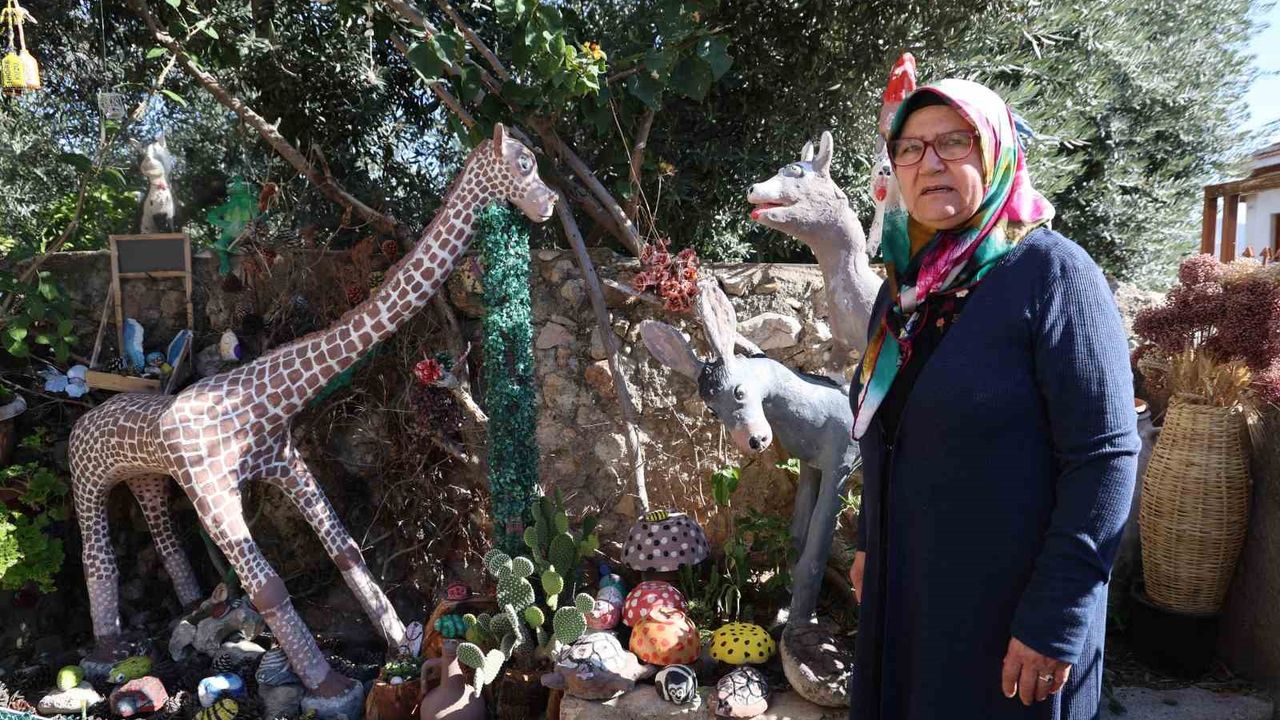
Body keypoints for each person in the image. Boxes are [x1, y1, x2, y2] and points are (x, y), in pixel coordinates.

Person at [847, 78, 1139, 720]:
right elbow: (886, 429)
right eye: (910, 148)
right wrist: (872, 539)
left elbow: (1105, 460)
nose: (930, 163)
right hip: (910, 596)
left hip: (1009, 620)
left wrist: (1056, 619)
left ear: (997, 151)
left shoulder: (1054, 275)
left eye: (955, 141)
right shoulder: (903, 293)